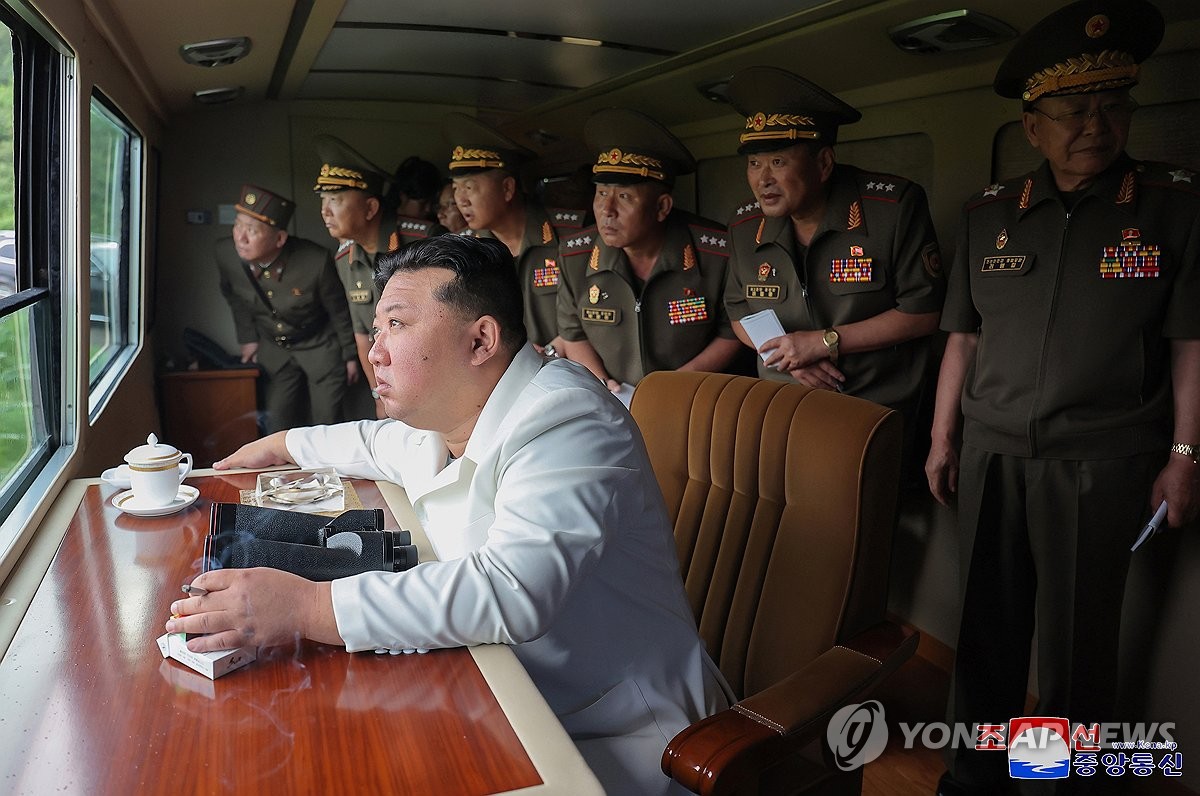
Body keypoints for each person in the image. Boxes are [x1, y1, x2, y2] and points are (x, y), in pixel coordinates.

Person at [173, 235, 730, 795]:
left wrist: (308, 607)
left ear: (480, 339)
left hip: (611, 731)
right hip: (500, 688)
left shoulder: (568, 421)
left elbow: (512, 590)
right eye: (379, 328)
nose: (375, 350)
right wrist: (284, 443)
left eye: (397, 325)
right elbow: (376, 442)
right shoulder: (455, 414)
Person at [924, 1, 1200, 792]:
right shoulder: (988, 214)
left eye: (1113, 106)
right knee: (986, 632)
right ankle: (976, 779)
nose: (1095, 125)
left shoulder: (1173, 208)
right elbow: (963, 339)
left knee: (1078, 645)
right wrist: (944, 440)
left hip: (1102, 460)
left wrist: (1184, 455)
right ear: (1032, 125)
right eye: (1073, 110)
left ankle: (1054, 781)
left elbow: (1190, 345)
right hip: (994, 453)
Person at [721, 66, 945, 430]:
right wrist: (792, 357)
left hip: (875, 407)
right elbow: (738, 314)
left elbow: (923, 312)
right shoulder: (745, 226)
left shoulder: (893, 208)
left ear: (823, 164)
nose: (763, 180)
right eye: (753, 164)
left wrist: (824, 343)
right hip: (784, 404)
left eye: (778, 162)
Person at [557, 107, 742, 392]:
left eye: (625, 197)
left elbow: (731, 331)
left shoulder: (716, 252)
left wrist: (671, 387)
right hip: (613, 396)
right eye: (602, 193)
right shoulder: (574, 254)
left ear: (662, 207)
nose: (607, 210)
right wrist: (603, 386)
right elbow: (573, 333)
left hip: (694, 393)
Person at [214, 184, 359, 432]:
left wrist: (350, 356)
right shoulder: (226, 253)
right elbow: (233, 296)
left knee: (327, 427)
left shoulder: (315, 261)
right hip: (276, 350)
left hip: (321, 348)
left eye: (252, 230)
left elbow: (340, 311)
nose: (241, 237)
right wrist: (248, 338)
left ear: (279, 239)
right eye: (238, 225)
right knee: (276, 424)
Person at [443, 112, 586, 350]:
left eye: (470, 187)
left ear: (508, 188)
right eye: (456, 189)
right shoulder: (465, 250)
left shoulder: (571, 235)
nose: (462, 200)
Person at [312, 134, 397, 419]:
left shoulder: (419, 243)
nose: (325, 211)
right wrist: (379, 393)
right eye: (324, 199)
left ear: (370, 208)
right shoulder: (344, 258)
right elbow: (363, 337)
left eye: (335, 199)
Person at [389, 155, 449, 244]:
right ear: (402, 196)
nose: (428, 209)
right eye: (423, 203)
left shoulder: (433, 231)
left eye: (432, 203)